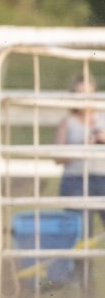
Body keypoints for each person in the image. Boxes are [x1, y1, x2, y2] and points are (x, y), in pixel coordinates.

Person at [55, 73, 105, 228]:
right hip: (75, 180)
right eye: (80, 94)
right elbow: (58, 157)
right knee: (81, 229)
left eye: (88, 94)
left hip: (102, 177)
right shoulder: (67, 122)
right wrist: (82, 146)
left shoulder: (103, 118)